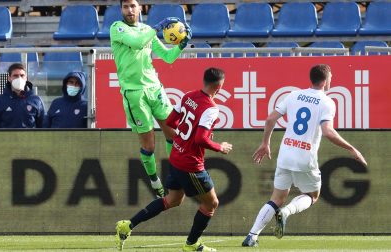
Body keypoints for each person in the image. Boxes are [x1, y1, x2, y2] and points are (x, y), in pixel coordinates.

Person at [242, 64, 367, 247]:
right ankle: (286, 212)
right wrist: (351, 149)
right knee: (312, 195)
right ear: (325, 80)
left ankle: (251, 236)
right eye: (331, 77)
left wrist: (265, 143)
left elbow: (270, 119)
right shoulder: (327, 102)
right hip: (304, 158)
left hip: (285, 154)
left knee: (276, 198)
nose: (332, 80)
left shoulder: (293, 95)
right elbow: (328, 132)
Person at [115, 68, 233, 251]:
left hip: (176, 157)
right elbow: (200, 139)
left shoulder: (188, 96)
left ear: (204, 81)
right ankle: (191, 245)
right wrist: (220, 147)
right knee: (211, 204)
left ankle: (127, 225)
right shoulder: (211, 109)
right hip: (191, 164)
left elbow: (170, 121)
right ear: (219, 87)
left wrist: (184, 136)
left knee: (173, 199)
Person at [110, 0, 192, 198]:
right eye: (125, 6)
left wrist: (181, 45)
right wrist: (157, 28)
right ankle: (155, 181)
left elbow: (168, 57)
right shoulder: (117, 28)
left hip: (155, 89)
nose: (129, 10)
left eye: (133, 6)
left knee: (174, 133)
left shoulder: (147, 30)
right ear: (121, 9)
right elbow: (137, 42)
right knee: (149, 145)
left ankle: (175, 174)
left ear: (140, 8)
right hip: (134, 93)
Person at [0, 63, 45, 128]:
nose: (19, 78)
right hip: (6, 138)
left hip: (29, 138)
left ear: (26, 78)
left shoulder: (36, 100)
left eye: (22, 75)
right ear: (9, 78)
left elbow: (42, 126)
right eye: (15, 75)